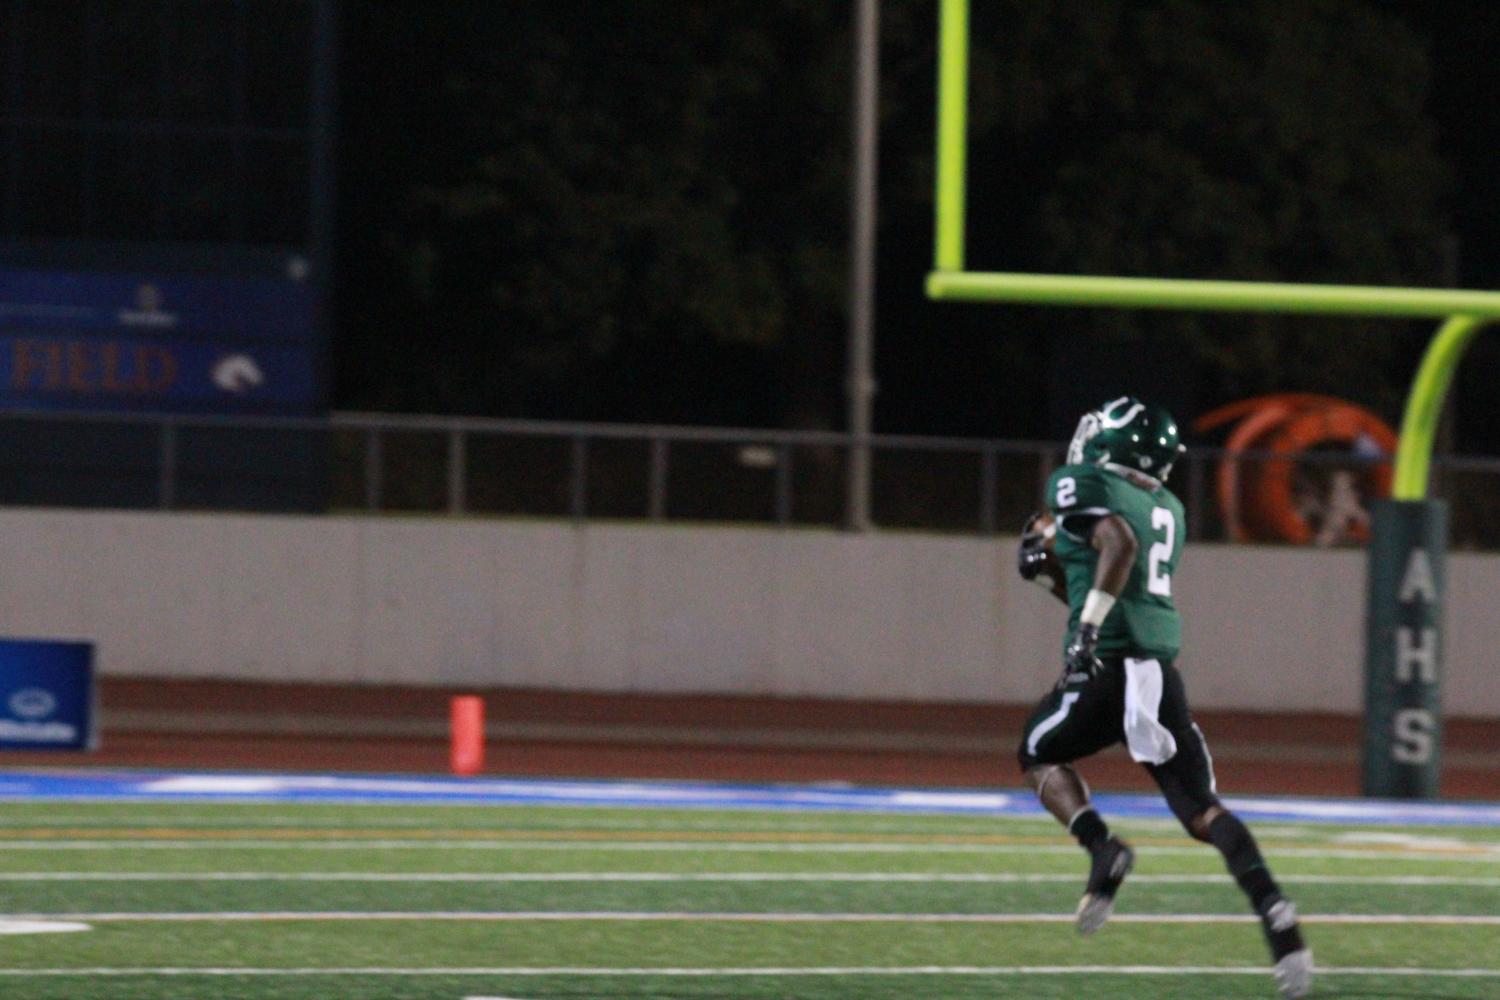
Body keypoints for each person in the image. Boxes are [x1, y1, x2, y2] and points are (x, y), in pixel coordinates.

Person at [1016, 396, 1313, 1000]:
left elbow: (1117, 545)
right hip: (1157, 674)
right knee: (1203, 811)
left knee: (1036, 751)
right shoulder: (1169, 508)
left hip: (1106, 670)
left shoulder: (1077, 484)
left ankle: (1102, 849)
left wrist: (1088, 628)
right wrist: (1057, 575)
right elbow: (1114, 570)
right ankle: (1280, 923)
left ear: (1116, 445)